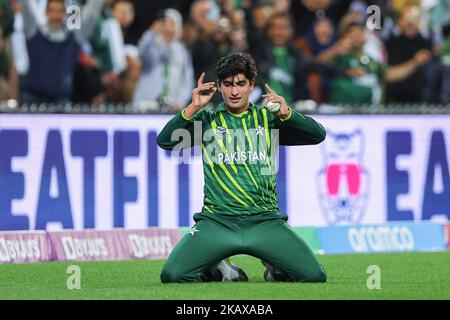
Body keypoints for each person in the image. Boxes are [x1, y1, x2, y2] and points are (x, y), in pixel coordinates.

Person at [157, 52, 327, 283]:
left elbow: (317, 135)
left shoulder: (269, 120)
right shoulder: (207, 121)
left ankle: (274, 266)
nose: (234, 91)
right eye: (227, 85)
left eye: (240, 84)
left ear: (251, 85)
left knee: (314, 276)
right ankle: (222, 269)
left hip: (265, 221)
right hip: (217, 222)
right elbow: (166, 141)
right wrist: (193, 107)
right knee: (173, 275)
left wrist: (286, 113)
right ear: (218, 86)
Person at [20, 0, 103, 104]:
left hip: (61, 101)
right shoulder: (33, 31)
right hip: (32, 99)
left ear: (65, 14)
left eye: (60, 11)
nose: (56, 15)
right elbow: (26, 4)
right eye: (52, 11)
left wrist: (75, 5)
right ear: (46, 12)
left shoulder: (75, 36)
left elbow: (92, 12)